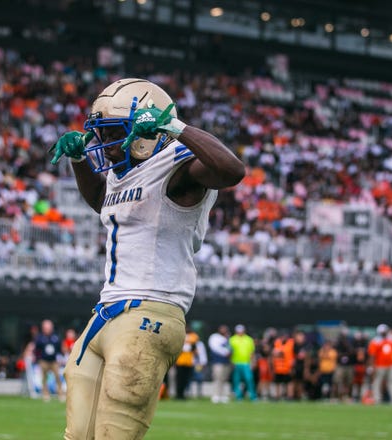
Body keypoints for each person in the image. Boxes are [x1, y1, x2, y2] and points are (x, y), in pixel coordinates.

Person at [52, 78, 245, 439]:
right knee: (78, 434)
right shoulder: (120, 173)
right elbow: (103, 204)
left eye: (112, 133)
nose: (105, 146)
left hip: (151, 310)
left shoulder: (178, 168)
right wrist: (79, 160)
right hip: (106, 311)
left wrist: (175, 127)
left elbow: (232, 171)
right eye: (102, 135)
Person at [367, 324, 392, 404]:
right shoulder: (375, 341)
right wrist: (372, 366)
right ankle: (377, 398)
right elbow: (372, 355)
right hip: (379, 365)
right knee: (377, 382)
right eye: (382, 332)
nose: (384, 333)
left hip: (391, 365)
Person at [33, 319, 64, 402]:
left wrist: (60, 358)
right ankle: (46, 395)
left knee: (58, 377)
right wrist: (38, 359)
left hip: (54, 361)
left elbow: (60, 349)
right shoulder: (39, 338)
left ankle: (61, 394)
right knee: (44, 378)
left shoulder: (56, 337)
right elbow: (36, 350)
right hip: (44, 361)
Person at [229, 324, 257, 401]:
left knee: (249, 379)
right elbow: (230, 352)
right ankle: (239, 396)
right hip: (236, 363)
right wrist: (231, 362)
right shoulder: (232, 339)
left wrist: (252, 362)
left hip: (246, 363)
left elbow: (252, 352)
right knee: (236, 381)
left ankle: (253, 396)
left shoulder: (249, 339)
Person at [174, 326, 200, 400]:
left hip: (189, 362)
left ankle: (183, 394)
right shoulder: (180, 335)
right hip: (180, 361)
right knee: (179, 379)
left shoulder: (194, 336)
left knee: (186, 379)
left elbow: (194, 348)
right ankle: (178, 394)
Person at [208, 325, 232, 403]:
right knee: (217, 378)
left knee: (224, 379)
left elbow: (230, 348)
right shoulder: (214, 337)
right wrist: (225, 352)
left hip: (226, 362)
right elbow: (215, 348)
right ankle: (216, 395)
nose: (224, 330)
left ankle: (222, 395)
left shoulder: (227, 338)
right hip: (218, 362)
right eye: (222, 329)